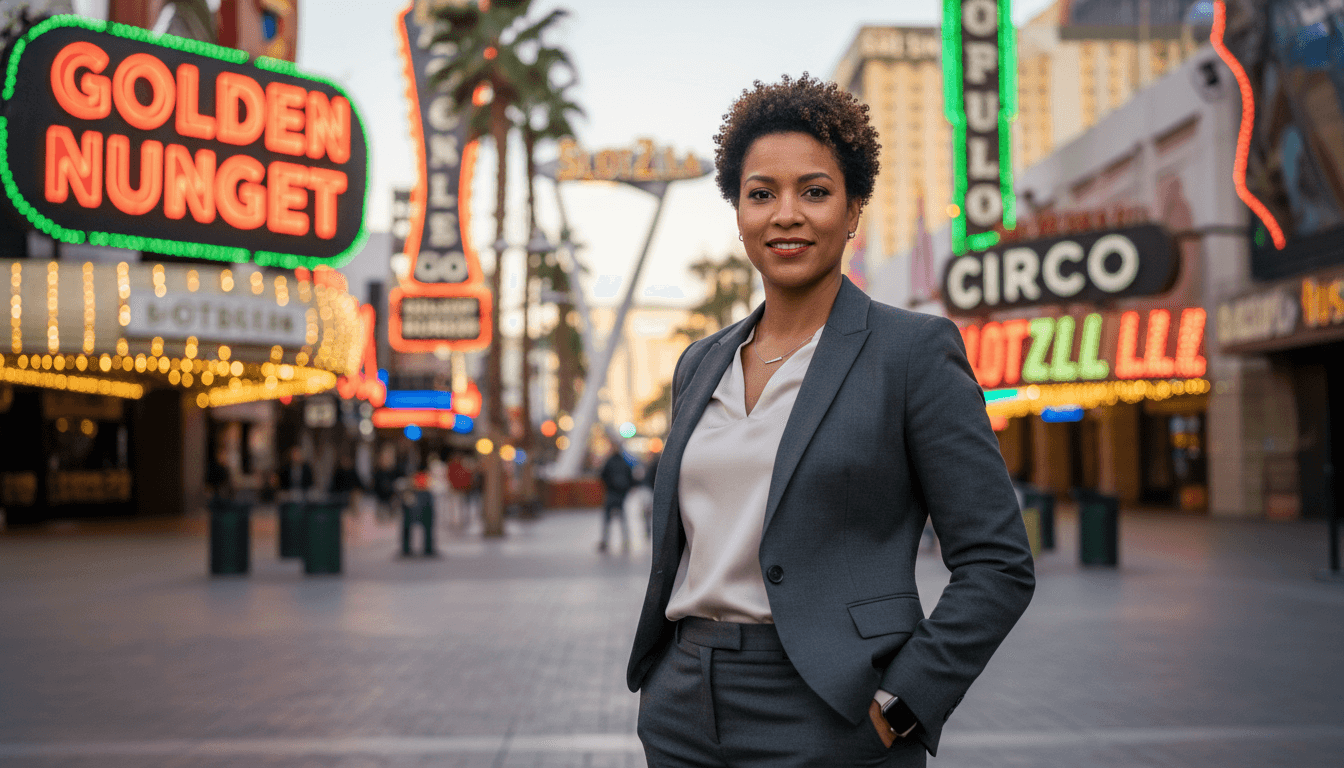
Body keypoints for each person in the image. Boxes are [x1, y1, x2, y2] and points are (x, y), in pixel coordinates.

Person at [626, 74, 1034, 767]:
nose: (786, 214)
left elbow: (998, 563)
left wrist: (905, 703)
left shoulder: (912, 353)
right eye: (762, 194)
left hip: (833, 707)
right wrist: (666, 681)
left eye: (814, 191)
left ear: (852, 211)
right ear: (739, 213)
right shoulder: (701, 363)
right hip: (684, 706)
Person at [598, 445, 634, 552]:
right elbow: (631, 477)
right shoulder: (624, 462)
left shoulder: (609, 462)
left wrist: (608, 487)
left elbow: (602, 475)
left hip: (611, 493)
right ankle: (626, 540)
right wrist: (625, 490)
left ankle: (605, 540)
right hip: (621, 495)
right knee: (622, 518)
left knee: (607, 519)